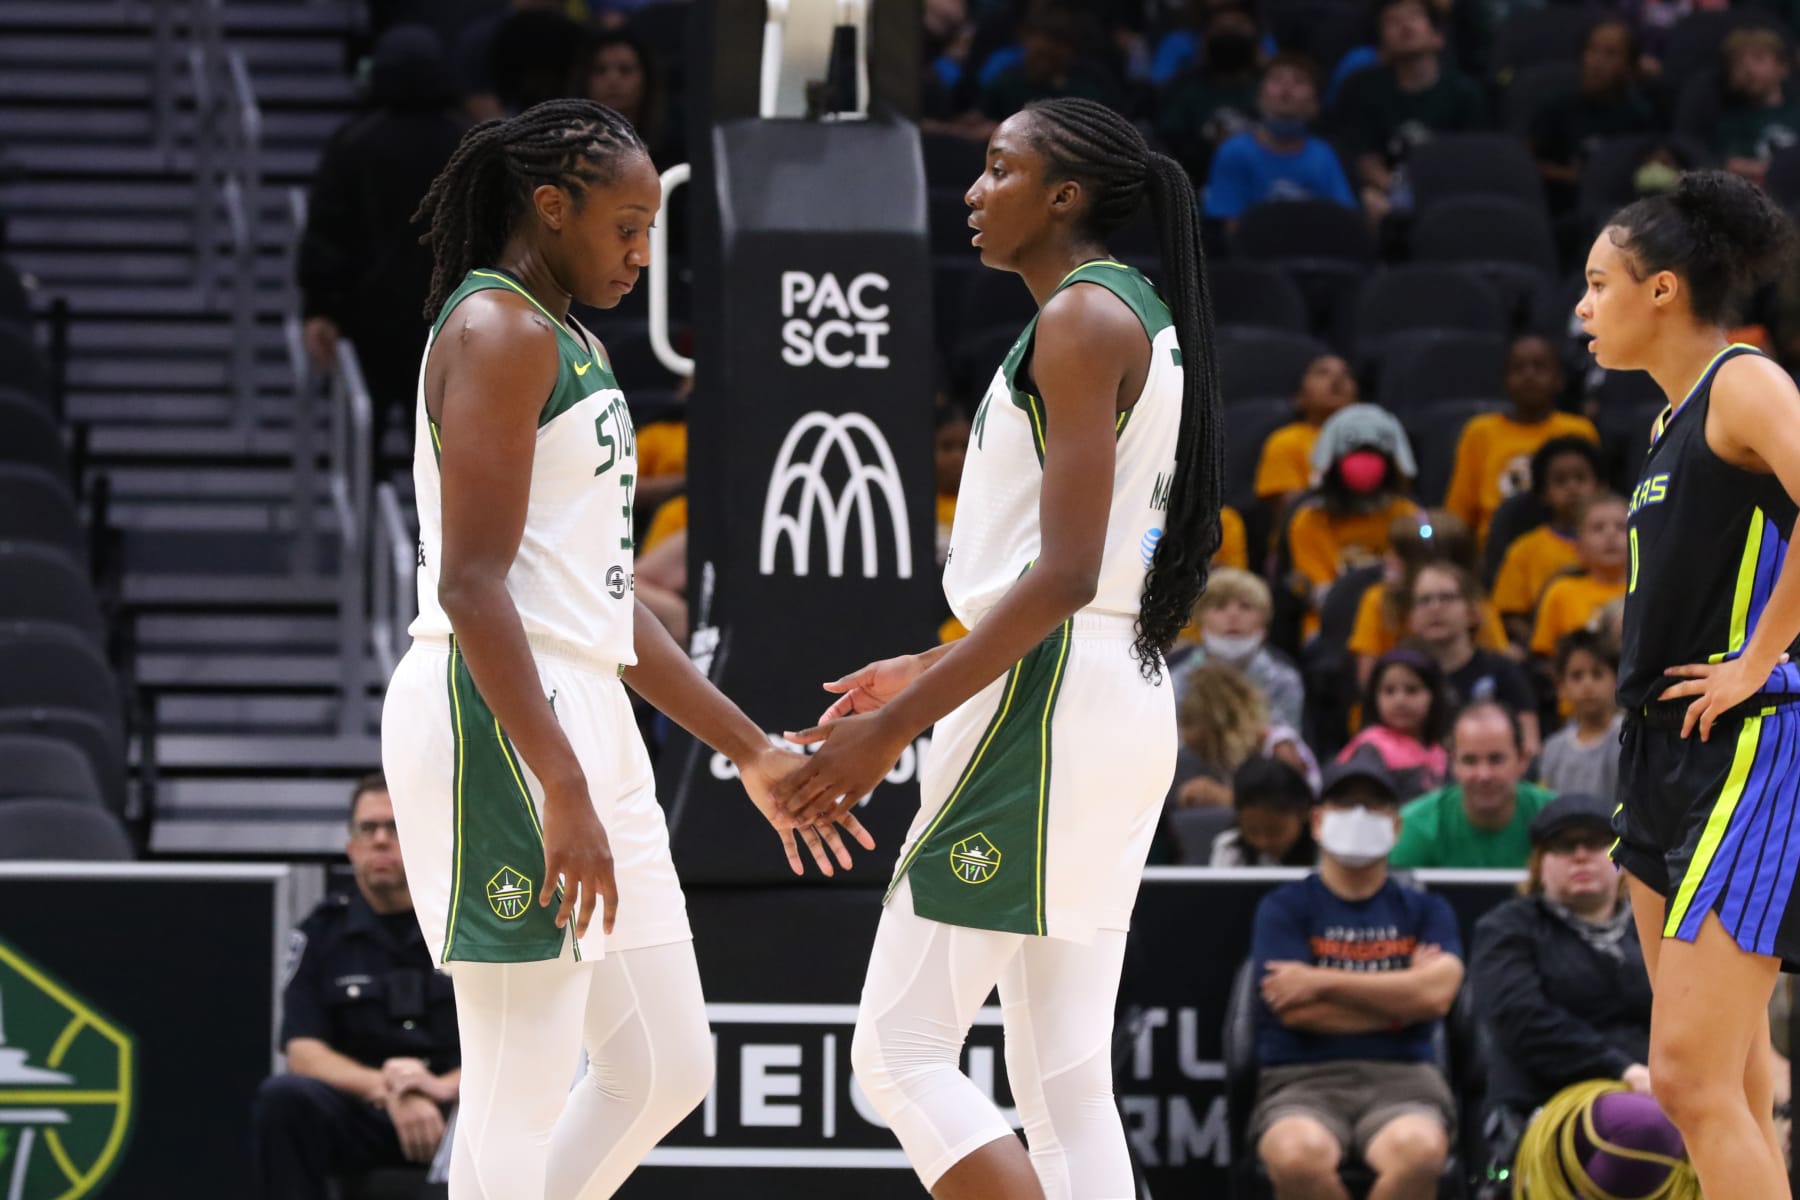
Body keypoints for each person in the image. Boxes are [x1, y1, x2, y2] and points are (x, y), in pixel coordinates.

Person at [378, 100, 872, 1200]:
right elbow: (471, 583)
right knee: (518, 1083)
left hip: (583, 701)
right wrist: (560, 781)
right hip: (499, 711)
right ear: (551, 207)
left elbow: (605, 598)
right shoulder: (497, 330)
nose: (643, 254)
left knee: (662, 1065)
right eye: (627, 227)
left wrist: (749, 748)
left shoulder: (577, 344)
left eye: (652, 230)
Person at [776, 97, 1227, 1200]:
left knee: (898, 1055)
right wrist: (932, 666)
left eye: (998, 170)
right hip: (1110, 686)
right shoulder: (1131, 311)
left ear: (1064, 196)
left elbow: (1065, 575)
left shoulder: (1081, 319)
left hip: (1048, 696)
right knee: (1065, 1083)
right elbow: (1080, 577)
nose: (974, 193)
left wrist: (897, 723)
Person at [1582, 169, 1800, 1199]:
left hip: (1742, 747)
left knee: (1685, 1079)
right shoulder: (1668, 421)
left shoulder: (1744, 382)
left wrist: (1758, 659)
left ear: (1661, 289)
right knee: (1735, 1084)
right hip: (1659, 751)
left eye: (1599, 284)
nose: (1583, 309)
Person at [1250, 755, 1463, 1200]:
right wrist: (1402, 1003)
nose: (1360, 815)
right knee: (1296, 1156)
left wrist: (1321, 981)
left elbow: (1438, 996)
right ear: (1316, 821)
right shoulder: (1283, 907)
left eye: (1374, 805)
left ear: (1397, 827)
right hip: (1300, 1083)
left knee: (1420, 1152)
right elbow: (1295, 1010)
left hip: (1406, 1082)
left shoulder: (1427, 909)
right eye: (1346, 804)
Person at [1469, 794, 1695, 1198]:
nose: (1580, 855)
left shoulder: (1652, 927)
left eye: (1595, 842)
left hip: (1661, 1089)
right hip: (1552, 1100)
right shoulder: (1507, 928)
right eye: (1563, 844)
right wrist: (1624, 1070)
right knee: (1645, 1127)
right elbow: (1520, 1018)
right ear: (1539, 863)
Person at [255, 775, 461, 1199]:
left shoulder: (468, 926)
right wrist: (389, 1090)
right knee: (284, 1099)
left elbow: (512, 1040)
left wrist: (441, 1088)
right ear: (352, 847)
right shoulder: (321, 932)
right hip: (365, 1110)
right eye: (368, 829)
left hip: (458, 1108)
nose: (381, 840)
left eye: (396, 827)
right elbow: (303, 1052)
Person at [298, 24, 469, 470]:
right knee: (448, 463)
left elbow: (327, 230)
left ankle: (368, 512)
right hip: (452, 325)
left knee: (360, 454)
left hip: (367, 322)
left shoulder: (353, 142)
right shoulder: (469, 143)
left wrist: (320, 307)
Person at [1334, 0, 1487, 216]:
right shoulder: (1365, 91)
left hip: (1451, 191)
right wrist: (1400, 191)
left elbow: (1472, 158)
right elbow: (1367, 161)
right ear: (1382, 45)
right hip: (1390, 194)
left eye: (1414, 16)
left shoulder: (1465, 93)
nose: (1405, 26)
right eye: (1392, 21)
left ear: (1437, 37)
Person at [1443, 334, 1599, 545]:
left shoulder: (1578, 430)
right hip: (1494, 548)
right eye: (1519, 368)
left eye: (1540, 367)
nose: (1529, 375)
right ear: (1505, 380)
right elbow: (1458, 515)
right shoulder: (1479, 432)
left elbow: (1595, 503)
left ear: (1559, 380)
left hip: (1569, 546)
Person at [1285, 403, 1422, 633]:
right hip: (1328, 628)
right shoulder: (1309, 519)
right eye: (1355, 454)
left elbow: (1418, 581)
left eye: (1373, 455)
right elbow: (1318, 593)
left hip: (1398, 622)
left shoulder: (1409, 514)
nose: (1365, 465)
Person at [1349, 508, 1510, 688]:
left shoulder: (1476, 604)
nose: (1387, 559)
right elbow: (1368, 683)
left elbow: (1499, 667)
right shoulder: (1378, 601)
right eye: (1424, 601)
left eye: (1399, 554)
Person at [1390, 700, 1555, 868]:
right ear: (1452, 763)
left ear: (1523, 760)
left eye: (1496, 759)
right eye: (1470, 761)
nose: (1484, 775)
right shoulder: (1415, 826)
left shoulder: (1557, 820)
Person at [1202, 54, 1358, 224]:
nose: (1286, 87)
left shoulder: (1324, 155)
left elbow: (1343, 222)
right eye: (1276, 79)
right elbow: (1230, 226)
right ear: (1260, 97)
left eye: (1299, 81)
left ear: (1315, 103)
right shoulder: (1233, 152)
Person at [1407, 562, 1541, 754]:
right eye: (1424, 600)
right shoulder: (1403, 676)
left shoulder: (1503, 672)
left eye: (1446, 598)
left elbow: (1529, 747)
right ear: (1412, 617)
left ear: (1471, 612)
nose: (1435, 607)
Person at [1530, 18, 1658, 215]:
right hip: (1564, 212)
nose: (1597, 62)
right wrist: (1576, 178)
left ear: (1629, 67)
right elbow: (1525, 165)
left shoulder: (1640, 117)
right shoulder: (1556, 110)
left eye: (1610, 53)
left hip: (1622, 212)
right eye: (1592, 50)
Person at [1492, 437, 1603, 648]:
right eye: (1560, 481)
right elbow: (1510, 614)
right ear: (1543, 493)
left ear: (1600, 486)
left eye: (1581, 478)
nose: (1572, 487)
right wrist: (1541, 646)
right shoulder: (1524, 549)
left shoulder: (1623, 539)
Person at [1173, 566, 1306, 732]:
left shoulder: (1283, 679)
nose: (1233, 615)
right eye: (1220, 607)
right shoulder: (1178, 677)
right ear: (1201, 620)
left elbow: (1287, 737)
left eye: (1245, 607)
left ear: (1264, 621)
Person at [1176, 661, 1320, 806]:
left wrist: (1226, 798)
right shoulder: (1240, 763)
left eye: (1206, 750)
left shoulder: (1279, 748)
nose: (1206, 760)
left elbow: (1291, 805)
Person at [1254, 352, 1359, 522]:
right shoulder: (1285, 441)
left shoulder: (1371, 442)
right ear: (1299, 397)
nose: (1337, 379)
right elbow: (1293, 511)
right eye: (1322, 373)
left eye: (1346, 374)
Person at [1338, 649, 1451, 799]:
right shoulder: (1371, 749)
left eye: (1412, 690)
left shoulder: (1441, 750)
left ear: (1434, 696)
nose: (1400, 700)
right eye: (1389, 691)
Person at [1529, 493, 1630, 661]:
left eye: (1621, 527)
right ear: (1579, 545)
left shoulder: (1648, 592)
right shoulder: (1561, 593)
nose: (1610, 534)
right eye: (1598, 528)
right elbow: (1544, 658)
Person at [1538, 629, 1624, 801]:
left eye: (1597, 674)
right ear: (1561, 686)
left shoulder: (1629, 739)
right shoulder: (1553, 749)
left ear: (1617, 681)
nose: (1587, 684)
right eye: (1577, 676)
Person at [1714, 29, 1800, 188]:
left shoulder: (1796, 113)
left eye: (1758, 58)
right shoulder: (1732, 123)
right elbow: (1729, 165)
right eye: (1738, 64)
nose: (1749, 69)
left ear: (1783, 67)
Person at [1211, 755, 1319, 866]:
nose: (1263, 841)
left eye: (1275, 831)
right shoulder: (1230, 849)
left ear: (1303, 813)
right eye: (1252, 831)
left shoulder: (1324, 849)